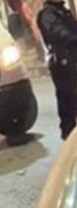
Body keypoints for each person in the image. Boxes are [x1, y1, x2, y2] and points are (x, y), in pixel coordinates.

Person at [38, 0, 77, 140]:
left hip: (71, 60)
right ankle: (68, 133)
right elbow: (61, 34)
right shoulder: (47, 15)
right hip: (62, 63)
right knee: (68, 98)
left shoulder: (63, 12)